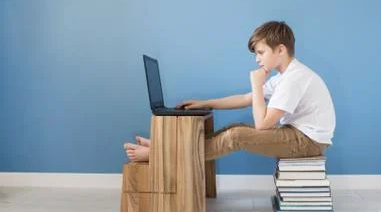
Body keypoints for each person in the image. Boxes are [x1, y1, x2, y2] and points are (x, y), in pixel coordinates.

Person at [124, 21, 336, 162]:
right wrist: (205, 103)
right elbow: (245, 99)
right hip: (299, 135)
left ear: (280, 50)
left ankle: (161, 154)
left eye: (261, 52)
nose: (257, 59)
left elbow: (262, 124)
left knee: (237, 136)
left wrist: (256, 83)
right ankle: (168, 146)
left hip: (308, 142)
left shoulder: (293, 79)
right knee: (237, 127)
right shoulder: (285, 76)